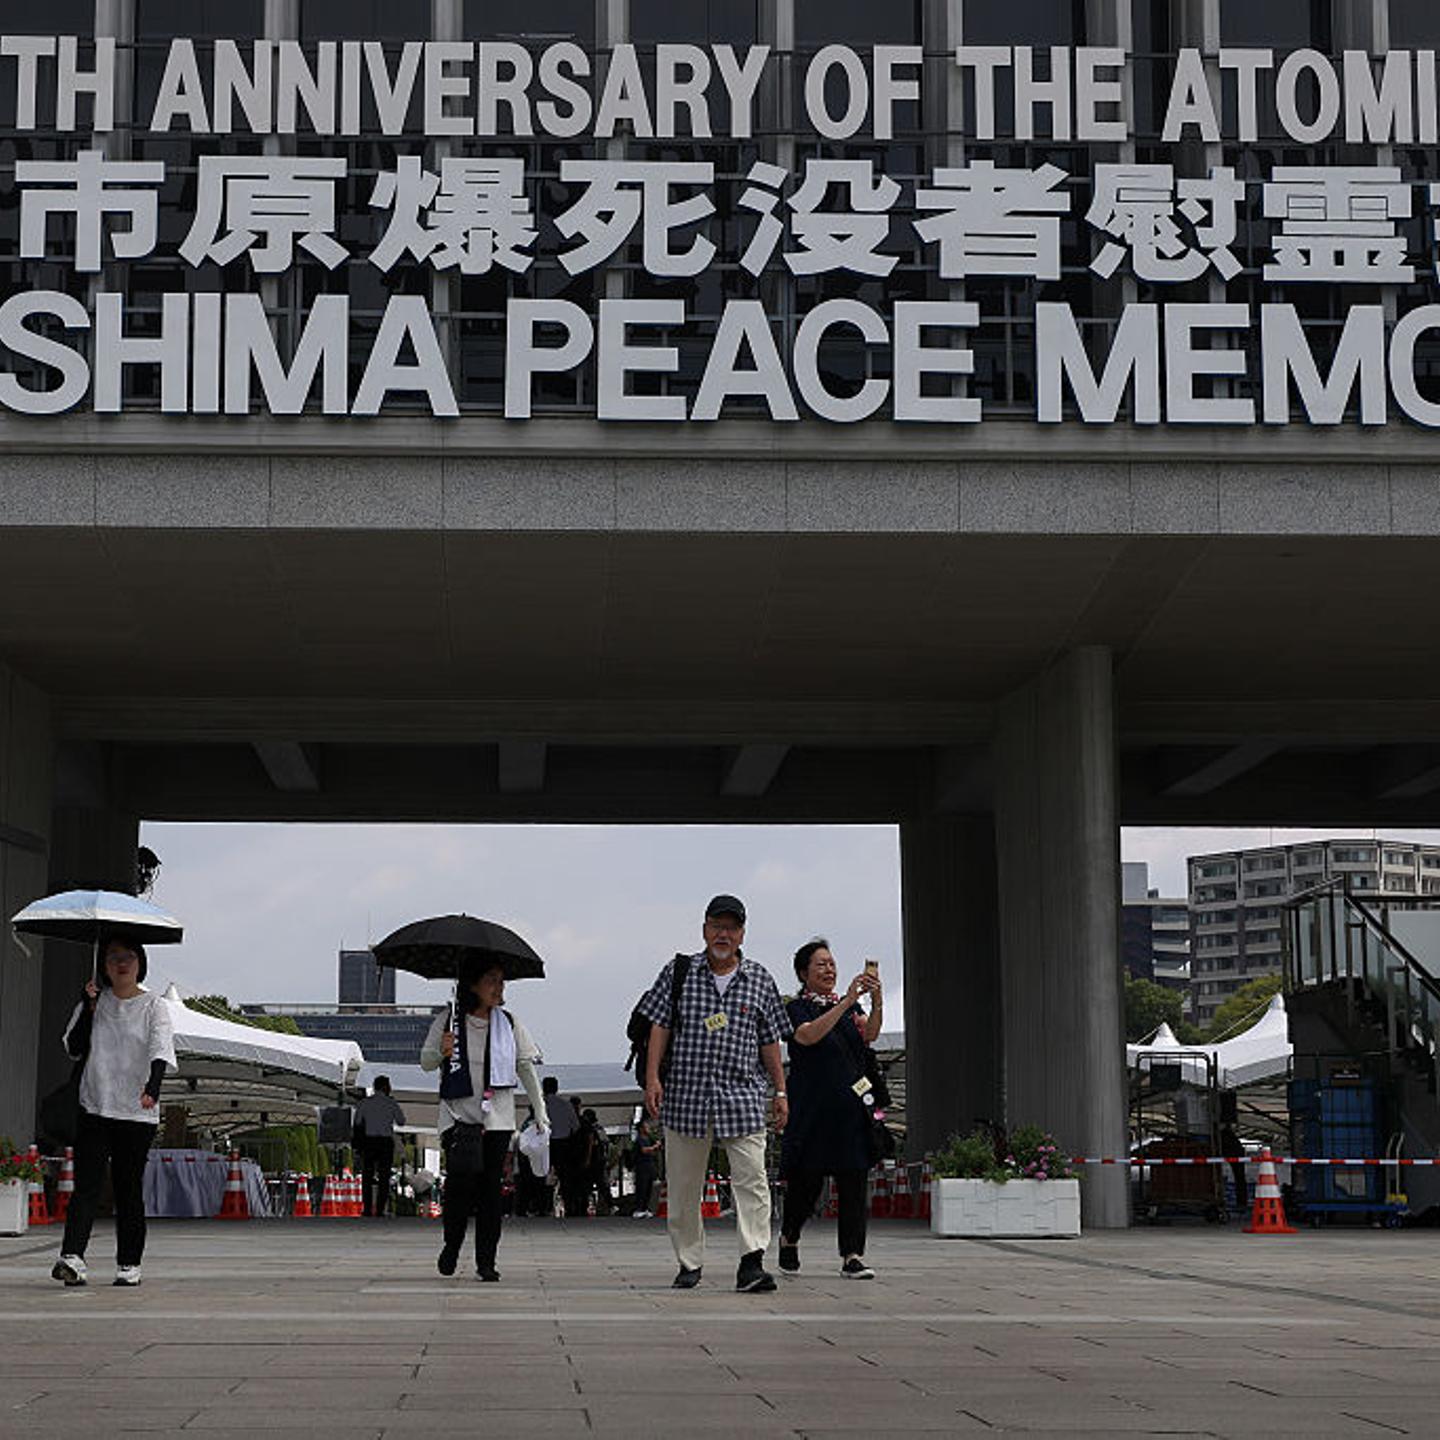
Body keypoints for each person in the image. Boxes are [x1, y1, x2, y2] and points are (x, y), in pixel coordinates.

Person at [640, 894, 791, 1292]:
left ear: (742, 934)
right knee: (685, 1184)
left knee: (753, 1180)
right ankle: (689, 1262)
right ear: (704, 929)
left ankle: (752, 1261)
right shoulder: (679, 972)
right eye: (716, 926)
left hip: (741, 1096)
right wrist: (652, 1078)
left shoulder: (759, 978)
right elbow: (659, 1026)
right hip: (686, 1096)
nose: (723, 934)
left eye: (731, 927)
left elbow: (770, 1040)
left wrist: (780, 1091)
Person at [52, 933, 177, 1288]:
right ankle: (72, 1257)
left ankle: (129, 1263)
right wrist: (87, 1006)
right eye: (112, 958)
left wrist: (153, 1087)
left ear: (139, 962)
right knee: (86, 1187)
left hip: (136, 1111)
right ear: (104, 966)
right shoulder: (95, 1002)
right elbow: (74, 1047)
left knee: (127, 1188)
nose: (120, 963)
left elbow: (160, 1049)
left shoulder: (154, 1006)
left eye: (127, 957)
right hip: (95, 1106)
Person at [420, 959, 547, 1280]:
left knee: (491, 1190)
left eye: (501, 981)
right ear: (473, 985)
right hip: (458, 1118)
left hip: (497, 1121)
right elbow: (425, 1062)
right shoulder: (449, 1021)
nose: (499, 987)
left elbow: (525, 1068)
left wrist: (540, 1112)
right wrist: (442, 1053)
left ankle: (486, 1261)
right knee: (459, 1189)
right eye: (492, 980)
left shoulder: (509, 1022)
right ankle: (452, 1245)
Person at [777, 938, 883, 1279]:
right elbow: (807, 1037)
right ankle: (789, 1236)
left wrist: (875, 1000)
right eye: (820, 964)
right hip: (812, 1112)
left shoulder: (851, 1008)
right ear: (803, 973)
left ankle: (852, 1254)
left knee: (854, 1180)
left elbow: (871, 1035)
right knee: (806, 1183)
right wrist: (847, 1002)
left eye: (832, 963)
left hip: (851, 1110)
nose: (829, 969)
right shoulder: (797, 1008)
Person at [353, 1076, 406, 1217]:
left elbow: (357, 1123)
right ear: (385, 1087)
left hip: (369, 1142)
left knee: (367, 1177)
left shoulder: (364, 1103)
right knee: (384, 1177)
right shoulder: (391, 1103)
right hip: (385, 1142)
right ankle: (380, 1209)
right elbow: (401, 1121)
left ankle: (367, 1209)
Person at [542, 1075, 580, 1217]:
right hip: (564, 1144)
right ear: (557, 1088)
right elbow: (575, 1126)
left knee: (543, 1175)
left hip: (545, 1144)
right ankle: (569, 1206)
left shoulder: (541, 1104)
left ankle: (544, 1206)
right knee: (566, 1177)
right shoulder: (566, 1104)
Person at [579, 1107, 613, 1215]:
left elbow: (590, 1145)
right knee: (602, 1186)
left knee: (587, 1186)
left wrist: (587, 1160)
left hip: (593, 1161)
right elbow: (607, 1144)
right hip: (601, 1161)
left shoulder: (589, 1129)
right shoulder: (600, 1128)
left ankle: (584, 1208)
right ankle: (611, 1205)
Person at [631, 1118, 661, 1218]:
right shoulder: (640, 1139)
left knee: (648, 1188)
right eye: (646, 1126)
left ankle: (645, 1208)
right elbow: (644, 1150)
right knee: (642, 1188)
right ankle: (638, 1208)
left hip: (649, 1166)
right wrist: (654, 1147)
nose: (648, 1128)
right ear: (641, 1128)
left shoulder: (649, 1138)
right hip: (642, 1167)